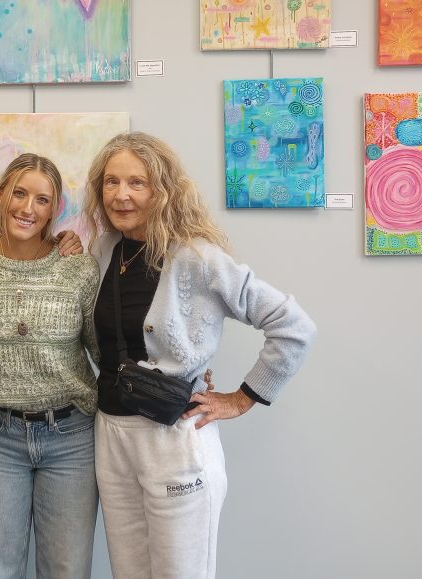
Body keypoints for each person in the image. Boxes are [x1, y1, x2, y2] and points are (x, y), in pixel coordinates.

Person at [83, 132, 316, 579]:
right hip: (111, 438)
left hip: (173, 441)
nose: (121, 194)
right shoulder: (104, 251)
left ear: (162, 190)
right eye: (111, 182)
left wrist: (242, 398)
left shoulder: (197, 258)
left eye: (136, 182)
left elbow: (294, 326)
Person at [0, 153, 101, 579]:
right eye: (19, 193)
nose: (28, 208)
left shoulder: (78, 268)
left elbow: (103, 351)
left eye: (42, 199)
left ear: (54, 208)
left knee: (66, 569)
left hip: (71, 438)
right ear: (0, 194)